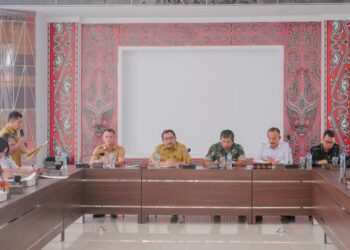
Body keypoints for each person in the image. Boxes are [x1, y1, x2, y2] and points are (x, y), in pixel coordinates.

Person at [150, 129, 191, 223]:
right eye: (166, 139)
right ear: (163, 141)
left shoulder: (182, 147)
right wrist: (165, 164)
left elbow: (188, 162)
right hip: (162, 179)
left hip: (179, 179)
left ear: (175, 138)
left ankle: (175, 211)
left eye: (171, 138)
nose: (169, 141)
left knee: (176, 188)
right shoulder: (159, 148)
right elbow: (152, 162)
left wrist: (176, 163)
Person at [205, 129, 246, 223]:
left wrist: (232, 163)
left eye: (228, 142)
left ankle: (242, 212)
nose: (226, 144)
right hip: (217, 178)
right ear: (220, 140)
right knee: (216, 191)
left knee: (242, 190)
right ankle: (216, 212)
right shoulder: (214, 147)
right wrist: (213, 163)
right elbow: (205, 162)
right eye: (223, 141)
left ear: (233, 141)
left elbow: (243, 162)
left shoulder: (238, 147)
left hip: (236, 178)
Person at [90, 128, 125, 219]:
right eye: (106, 137)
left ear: (114, 138)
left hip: (115, 175)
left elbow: (121, 162)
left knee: (113, 187)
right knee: (99, 188)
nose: (109, 139)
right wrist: (108, 162)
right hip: (101, 176)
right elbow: (92, 162)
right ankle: (100, 210)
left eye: (111, 137)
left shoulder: (120, 149)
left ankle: (113, 210)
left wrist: (104, 162)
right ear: (103, 138)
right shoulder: (99, 148)